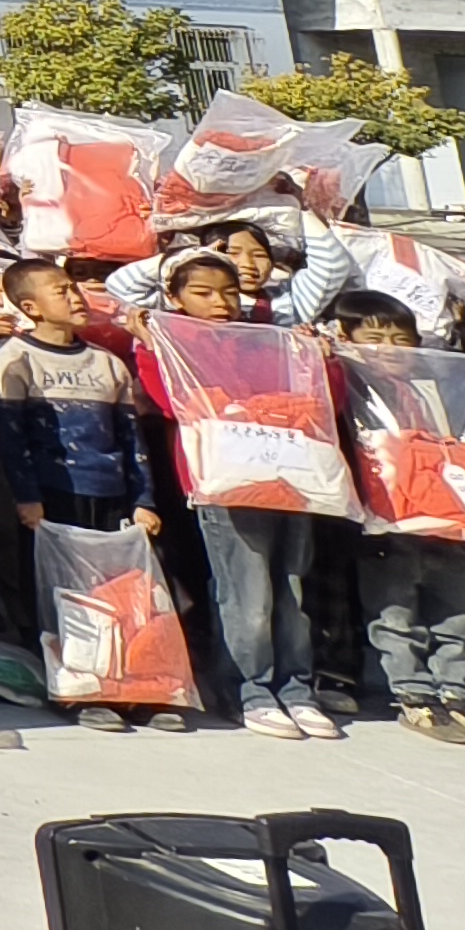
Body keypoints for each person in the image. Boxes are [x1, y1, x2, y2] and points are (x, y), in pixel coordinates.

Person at [138, 245, 337, 742]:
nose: (220, 302)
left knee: (291, 590)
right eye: (202, 293)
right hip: (225, 480)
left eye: (228, 292)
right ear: (174, 298)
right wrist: (150, 346)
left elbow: (316, 403)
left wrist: (321, 361)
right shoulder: (168, 343)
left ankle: (296, 687)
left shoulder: (266, 341)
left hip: (290, 475)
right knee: (247, 594)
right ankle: (246, 689)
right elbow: (172, 402)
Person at [0, 257, 180, 736]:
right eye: (61, 290)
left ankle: (138, 686)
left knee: (127, 595)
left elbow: (132, 440)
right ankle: (79, 689)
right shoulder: (13, 360)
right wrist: (26, 497)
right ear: (30, 306)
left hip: (111, 497)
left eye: (74, 287)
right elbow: (11, 441)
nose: (75, 297)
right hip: (53, 500)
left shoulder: (107, 363)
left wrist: (145, 500)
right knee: (66, 599)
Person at [326, 291, 465, 745]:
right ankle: (412, 691)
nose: (390, 349)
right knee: (395, 611)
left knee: (455, 609)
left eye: (401, 339)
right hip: (386, 517)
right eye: (374, 338)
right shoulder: (346, 382)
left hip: (443, 515)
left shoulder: (433, 385)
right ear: (346, 338)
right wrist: (327, 358)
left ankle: (457, 692)